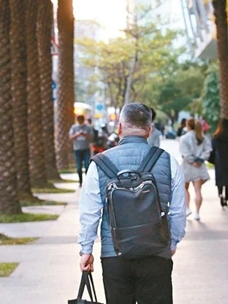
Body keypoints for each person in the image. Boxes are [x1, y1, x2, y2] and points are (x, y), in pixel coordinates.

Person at [78, 103, 186, 304]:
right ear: (149, 130)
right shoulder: (168, 161)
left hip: (114, 255)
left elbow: (90, 213)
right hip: (156, 254)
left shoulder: (99, 164)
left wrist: (86, 250)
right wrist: (171, 244)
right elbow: (178, 211)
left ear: (119, 127)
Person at [179, 118, 212, 221]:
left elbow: (184, 152)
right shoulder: (203, 138)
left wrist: (191, 160)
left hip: (187, 167)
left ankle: (187, 208)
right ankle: (197, 213)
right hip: (199, 167)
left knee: (185, 189)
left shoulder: (184, 138)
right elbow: (208, 151)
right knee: (198, 190)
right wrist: (199, 160)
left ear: (188, 126)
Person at [69, 115, 93, 187]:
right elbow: (71, 137)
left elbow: (91, 137)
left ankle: (87, 182)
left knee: (87, 166)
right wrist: (77, 134)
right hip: (77, 149)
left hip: (86, 149)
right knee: (79, 167)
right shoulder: (74, 127)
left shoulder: (88, 127)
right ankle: (80, 182)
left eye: (81, 119)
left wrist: (84, 134)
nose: (80, 121)